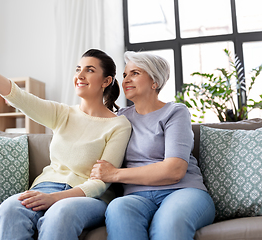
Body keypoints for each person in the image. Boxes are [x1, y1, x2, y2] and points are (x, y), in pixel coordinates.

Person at [0, 27, 131, 240]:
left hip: (87, 197)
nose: (79, 76)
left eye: (89, 70)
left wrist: (55, 198)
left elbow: (101, 182)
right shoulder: (62, 113)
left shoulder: (119, 126)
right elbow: (15, 94)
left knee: (60, 214)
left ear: (106, 81)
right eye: (77, 69)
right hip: (44, 186)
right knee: (9, 209)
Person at [90, 51, 215, 240]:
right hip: (136, 197)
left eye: (135, 73)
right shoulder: (120, 118)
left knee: (169, 224)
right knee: (117, 208)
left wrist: (114, 174)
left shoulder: (175, 112)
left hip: (182, 191)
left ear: (154, 82)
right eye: (124, 75)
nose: (126, 80)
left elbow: (174, 170)